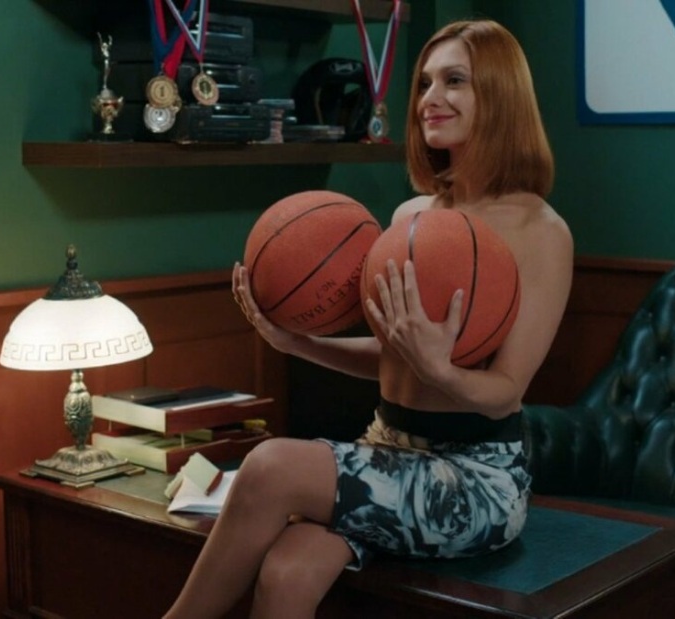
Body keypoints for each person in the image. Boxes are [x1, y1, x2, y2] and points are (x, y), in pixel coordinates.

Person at [163, 18, 572, 619]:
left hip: (476, 479)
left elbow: (505, 391)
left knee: (270, 465)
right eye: (424, 83)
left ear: (501, 94)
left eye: (454, 81)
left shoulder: (542, 232)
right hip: (386, 449)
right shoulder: (410, 216)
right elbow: (393, 355)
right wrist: (294, 341)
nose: (430, 98)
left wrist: (441, 370)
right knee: (286, 574)